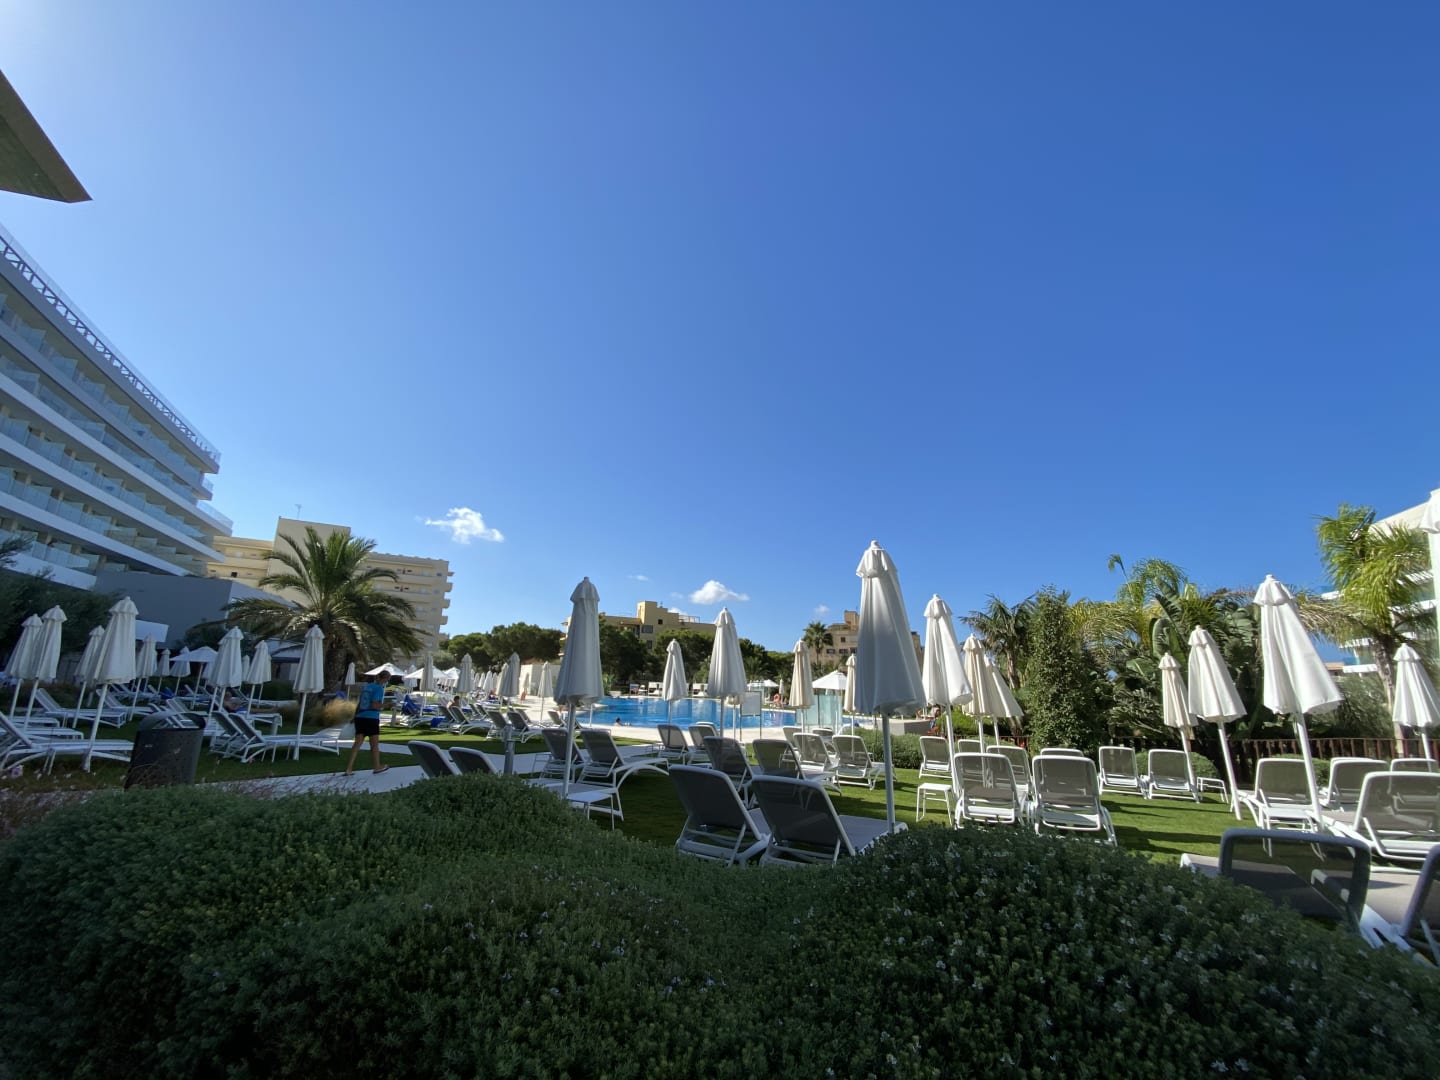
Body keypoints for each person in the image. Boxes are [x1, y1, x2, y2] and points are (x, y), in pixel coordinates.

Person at [346, 673, 391, 777]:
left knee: (357, 744)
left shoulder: (367, 687)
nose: (387, 682)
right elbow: (374, 705)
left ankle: (349, 769)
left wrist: (355, 715)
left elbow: (360, 703)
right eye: (387, 679)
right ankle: (377, 767)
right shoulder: (379, 688)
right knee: (374, 745)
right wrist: (387, 704)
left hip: (360, 717)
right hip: (371, 718)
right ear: (383, 678)